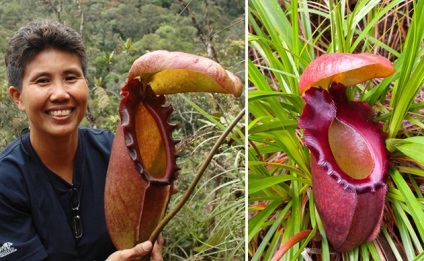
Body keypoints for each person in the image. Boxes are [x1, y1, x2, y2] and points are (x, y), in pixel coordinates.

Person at [0, 19, 163, 260]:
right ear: (18, 97)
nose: (60, 94)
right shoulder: (7, 182)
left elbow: (146, 226)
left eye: (71, 77)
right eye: (43, 80)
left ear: (85, 83)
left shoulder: (117, 152)